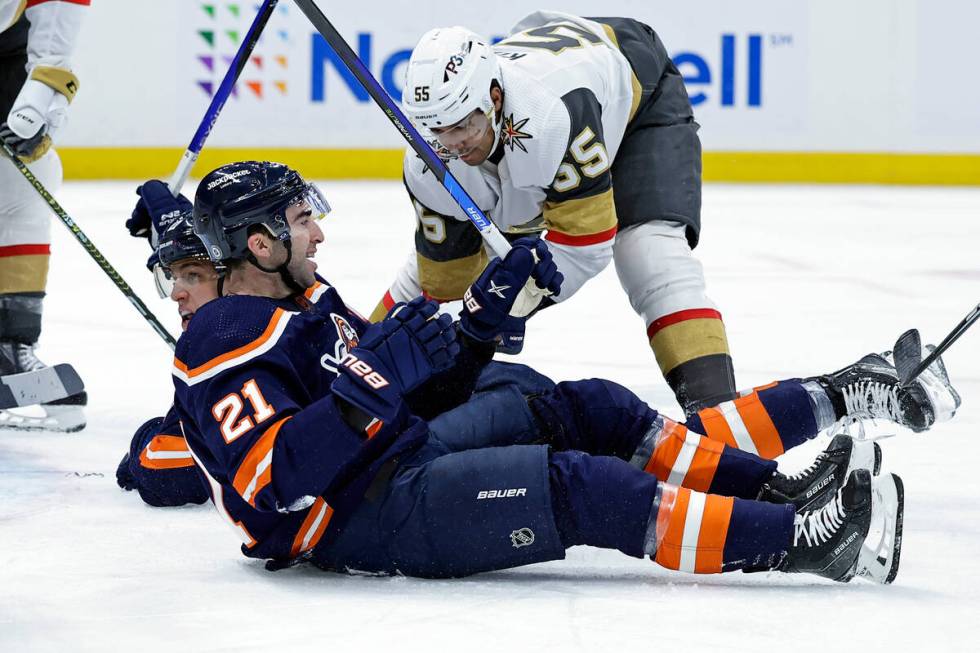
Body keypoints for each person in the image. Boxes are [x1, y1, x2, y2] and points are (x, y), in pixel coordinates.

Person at [172, 160, 960, 585]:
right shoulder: (224, 333)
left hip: (398, 458)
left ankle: (774, 488)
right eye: (301, 216)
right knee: (581, 486)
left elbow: (409, 397)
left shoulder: (315, 303)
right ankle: (809, 541)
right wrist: (363, 390)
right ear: (262, 242)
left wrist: (476, 327)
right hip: (350, 520)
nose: (318, 230)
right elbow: (273, 479)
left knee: (594, 407)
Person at [373, 11, 734, 414]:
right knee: (445, 276)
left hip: (633, 96)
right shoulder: (427, 159)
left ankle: (720, 420)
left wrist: (514, 302)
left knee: (649, 255)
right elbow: (439, 286)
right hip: (543, 121)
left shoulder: (551, 115)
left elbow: (585, 245)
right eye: (437, 131)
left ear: (493, 98)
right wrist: (361, 361)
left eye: (462, 126)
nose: (452, 145)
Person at [0, 0, 89, 431]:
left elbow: (54, 47)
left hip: (6, 52)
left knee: (28, 176)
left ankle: (9, 347)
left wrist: (42, 108)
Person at [116, 183, 219, 507]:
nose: (176, 294)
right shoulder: (291, 297)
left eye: (192, 275)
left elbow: (165, 469)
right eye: (172, 277)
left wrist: (146, 437)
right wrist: (179, 226)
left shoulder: (230, 354)